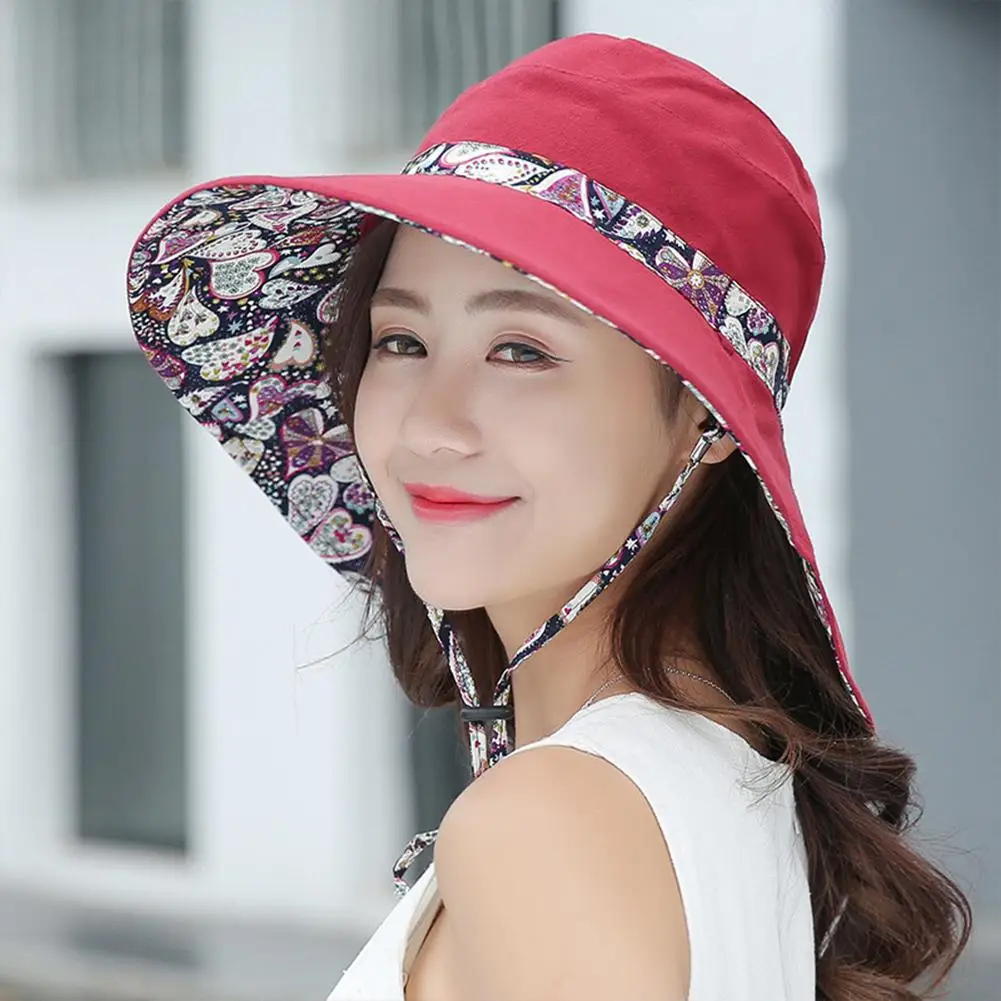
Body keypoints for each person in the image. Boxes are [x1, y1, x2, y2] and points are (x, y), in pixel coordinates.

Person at [127, 33, 970, 1001]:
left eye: (520, 350)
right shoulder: (731, 774)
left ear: (703, 417)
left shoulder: (548, 822)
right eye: (400, 339)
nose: (431, 425)